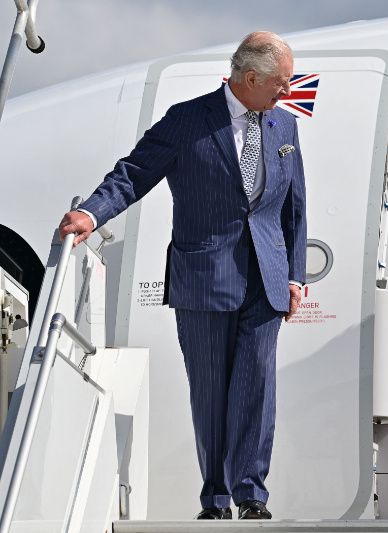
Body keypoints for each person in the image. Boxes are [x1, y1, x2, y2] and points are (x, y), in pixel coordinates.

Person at [57, 31, 306, 520]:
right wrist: (91, 214)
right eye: (281, 82)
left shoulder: (284, 127)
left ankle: (251, 493)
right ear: (250, 78)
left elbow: (295, 208)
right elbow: (133, 173)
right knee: (210, 389)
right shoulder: (187, 120)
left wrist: (295, 275)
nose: (287, 91)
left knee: (257, 386)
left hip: (267, 277)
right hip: (204, 274)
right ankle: (215, 497)